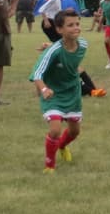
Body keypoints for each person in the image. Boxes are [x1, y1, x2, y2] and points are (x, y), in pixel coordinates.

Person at [31, 10, 89, 172]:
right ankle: (49, 166)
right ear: (59, 29)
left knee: (75, 131)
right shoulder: (53, 51)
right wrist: (43, 89)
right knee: (55, 129)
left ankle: (62, 147)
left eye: (77, 24)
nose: (75, 28)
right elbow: (37, 74)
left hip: (72, 92)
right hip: (53, 92)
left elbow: (68, 54)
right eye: (70, 25)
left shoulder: (83, 45)